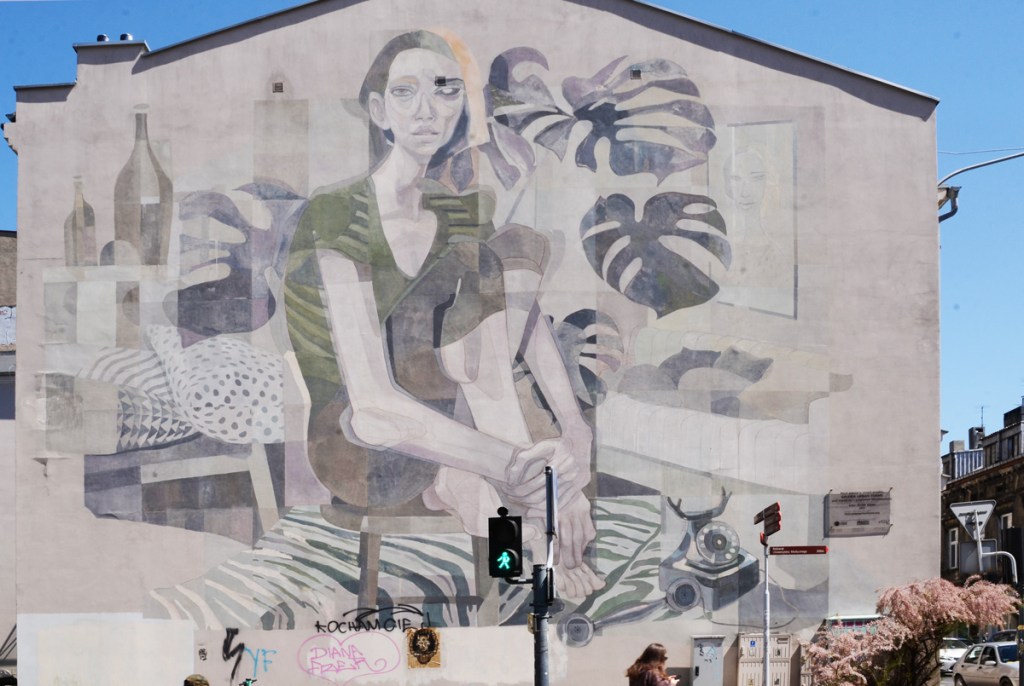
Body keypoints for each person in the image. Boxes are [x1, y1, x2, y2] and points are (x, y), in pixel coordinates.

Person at [284, 30, 602, 596]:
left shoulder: (455, 211)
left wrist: (573, 428)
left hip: (456, 420)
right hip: (364, 444)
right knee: (484, 261)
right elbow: (373, 403)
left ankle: (496, 514)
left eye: (445, 89)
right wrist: (523, 468)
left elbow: (520, 318)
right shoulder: (337, 213)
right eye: (404, 92)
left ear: (462, 107)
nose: (427, 109)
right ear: (378, 111)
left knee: (510, 248)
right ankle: (518, 505)